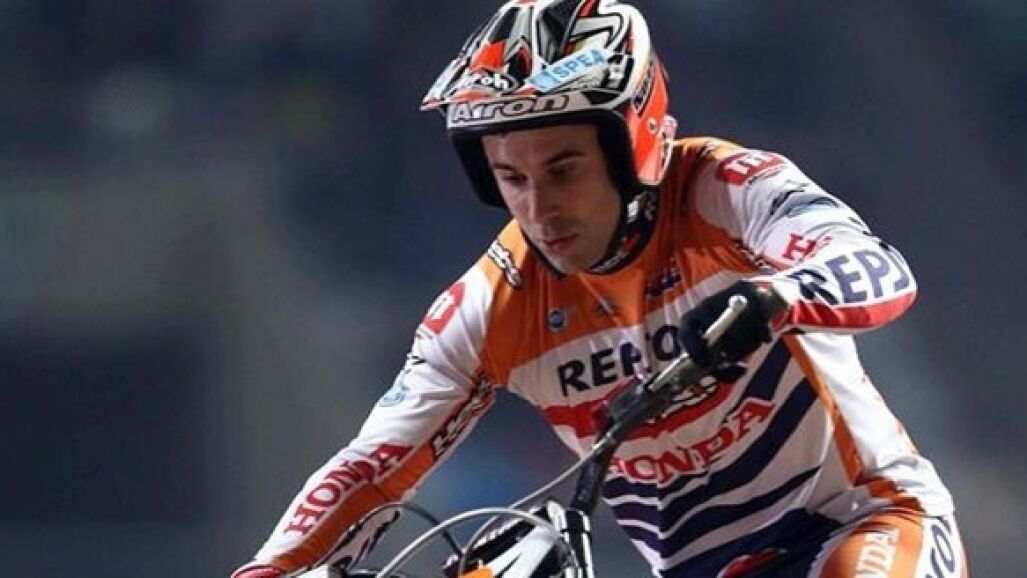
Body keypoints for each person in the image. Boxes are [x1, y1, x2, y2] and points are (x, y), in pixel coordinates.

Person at [232, 1, 967, 576]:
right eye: (511, 178)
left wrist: (776, 298)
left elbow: (879, 269)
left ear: (632, 145)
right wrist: (271, 570)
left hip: (865, 522)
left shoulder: (723, 187)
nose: (539, 209)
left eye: (563, 170)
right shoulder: (490, 307)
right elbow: (371, 466)